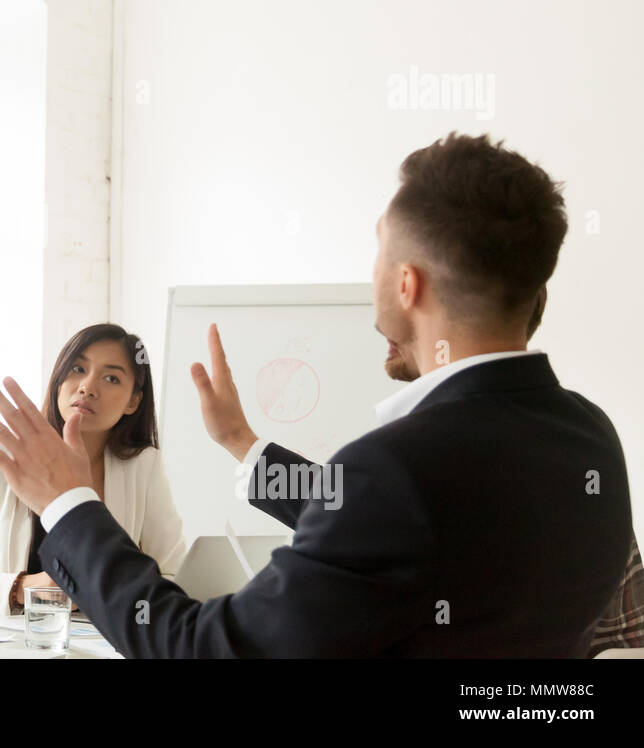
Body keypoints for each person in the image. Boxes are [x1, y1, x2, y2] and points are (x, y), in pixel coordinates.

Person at [0, 132, 633, 657]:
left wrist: (69, 504)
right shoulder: (590, 438)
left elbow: (206, 649)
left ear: (407, 284)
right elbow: (408, 528)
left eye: (376, 257)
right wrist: (243, 444)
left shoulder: (397, 468)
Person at [223, 281, 644, 657]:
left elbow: (380, 511)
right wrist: (245, 445)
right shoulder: (591, 432)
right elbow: (375, 516)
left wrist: (151, 576)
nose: (380, 315)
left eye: (398, 280)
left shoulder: (408, 456)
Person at [0, 324, 185, 617]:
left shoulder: (143, 466)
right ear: (58, 380)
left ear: (134, 401)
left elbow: (175, 578)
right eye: (78, 369)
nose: (87, 387)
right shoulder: (3, 453)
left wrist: (111, 594)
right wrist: (23, 589)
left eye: (111, 378)